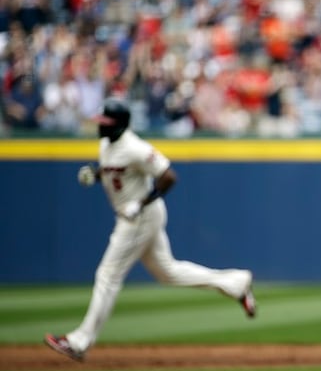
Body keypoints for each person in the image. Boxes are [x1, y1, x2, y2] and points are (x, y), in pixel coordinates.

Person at [44, 97, 256, 362]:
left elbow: (168, 175)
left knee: (108, 274)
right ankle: (236, 283)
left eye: (106, 123)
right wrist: (96, 174)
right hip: (134, 216)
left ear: (119, 126)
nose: (100, 126)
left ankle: (79, 341)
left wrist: (141, 203)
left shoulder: (134, 147)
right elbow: (116, 170)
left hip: (140, 217)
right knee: (168, 272)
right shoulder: (106, 145)